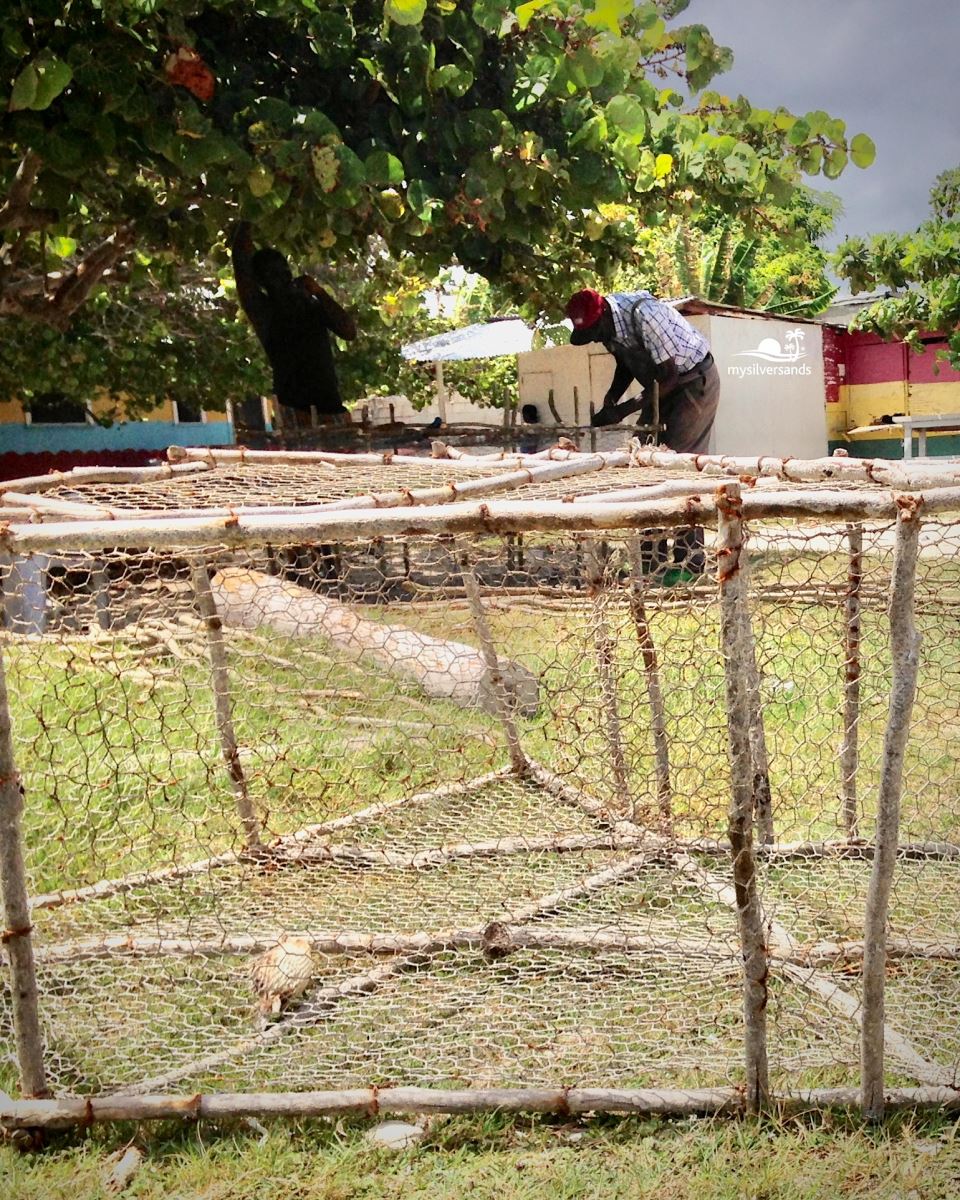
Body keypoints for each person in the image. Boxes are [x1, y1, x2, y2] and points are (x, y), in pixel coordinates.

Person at [566, 287, 721, 578]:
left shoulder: (643, 314)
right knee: (644, 465)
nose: (597, 339)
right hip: (661, 388)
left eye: (595, 332)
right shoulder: (611, 325)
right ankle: (652, 563)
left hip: (691, 383)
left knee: (678, 468)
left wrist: (621, 411)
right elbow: (626, 364)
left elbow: (669, 377)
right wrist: (612, 397)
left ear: (603, 317)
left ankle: (690, 563)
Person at [231, 222, 357, 426]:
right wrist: (247, 218)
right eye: (273, 275)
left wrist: (319, 292)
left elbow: (349, 332)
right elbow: (241, 263)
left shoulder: (311, 305)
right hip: (295, 413)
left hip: (332, 409)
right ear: (261, 282)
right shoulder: (263, 310)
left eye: (285, 271)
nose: (283, 278)